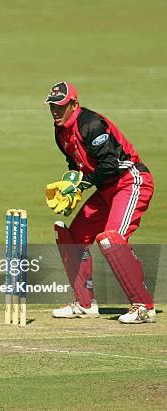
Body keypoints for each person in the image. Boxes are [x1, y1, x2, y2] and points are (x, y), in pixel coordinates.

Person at [44, 81, 156, 324]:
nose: (55, 110)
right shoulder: (60, 130)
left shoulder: (91, 124)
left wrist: (83, 186)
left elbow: (110, 163)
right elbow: (76, 165)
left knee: (112, 237)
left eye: (60, 106)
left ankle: (143, 306)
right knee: (72, 238)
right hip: (105, 188)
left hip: (130, 181)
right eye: (52, 105)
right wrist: (71, 187)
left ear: (74, 104)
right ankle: (85, 304)